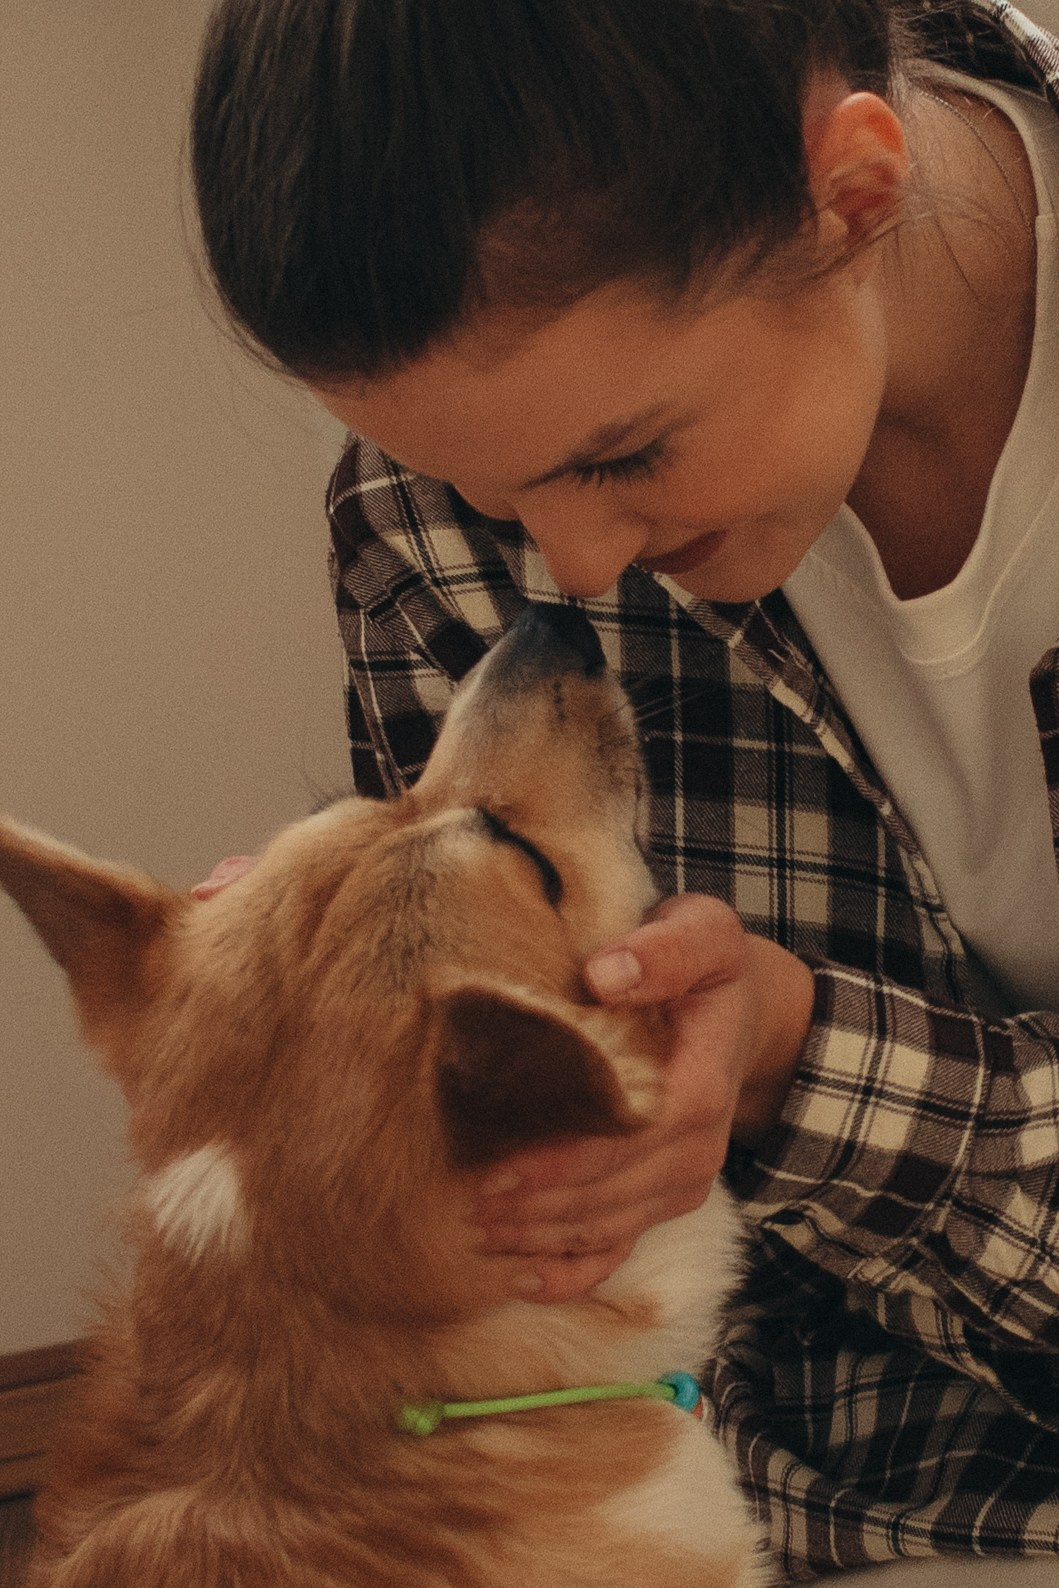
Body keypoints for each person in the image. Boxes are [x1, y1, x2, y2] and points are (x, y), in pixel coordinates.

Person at [190, 0, 1059, 1577]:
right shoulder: (416, 529)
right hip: (826, 1471)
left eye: (617, 457)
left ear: (854, 194)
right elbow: (572, 1220)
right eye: (485, 487)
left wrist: (803, 1056)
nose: (568, 573)